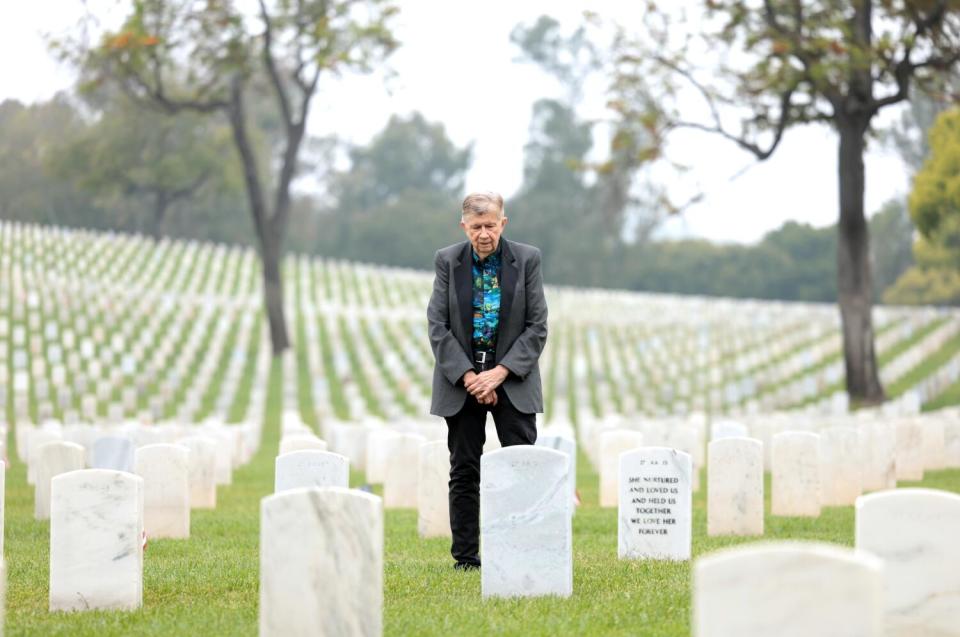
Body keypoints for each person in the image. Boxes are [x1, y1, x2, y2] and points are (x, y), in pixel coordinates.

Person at [427, 191, 548, 571]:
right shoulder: (448, 261)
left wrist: (499, 374)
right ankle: (466, 557)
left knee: (522, 465)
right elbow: (438, 326)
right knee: (464, 468)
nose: (484, 234)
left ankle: (522, 546)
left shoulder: (527, 259)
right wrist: (468, 376)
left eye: (490, 225)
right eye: (476, 226)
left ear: (503, 223)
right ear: (464, 226)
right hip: (462, 381)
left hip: (511, 378)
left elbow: (536, 326)